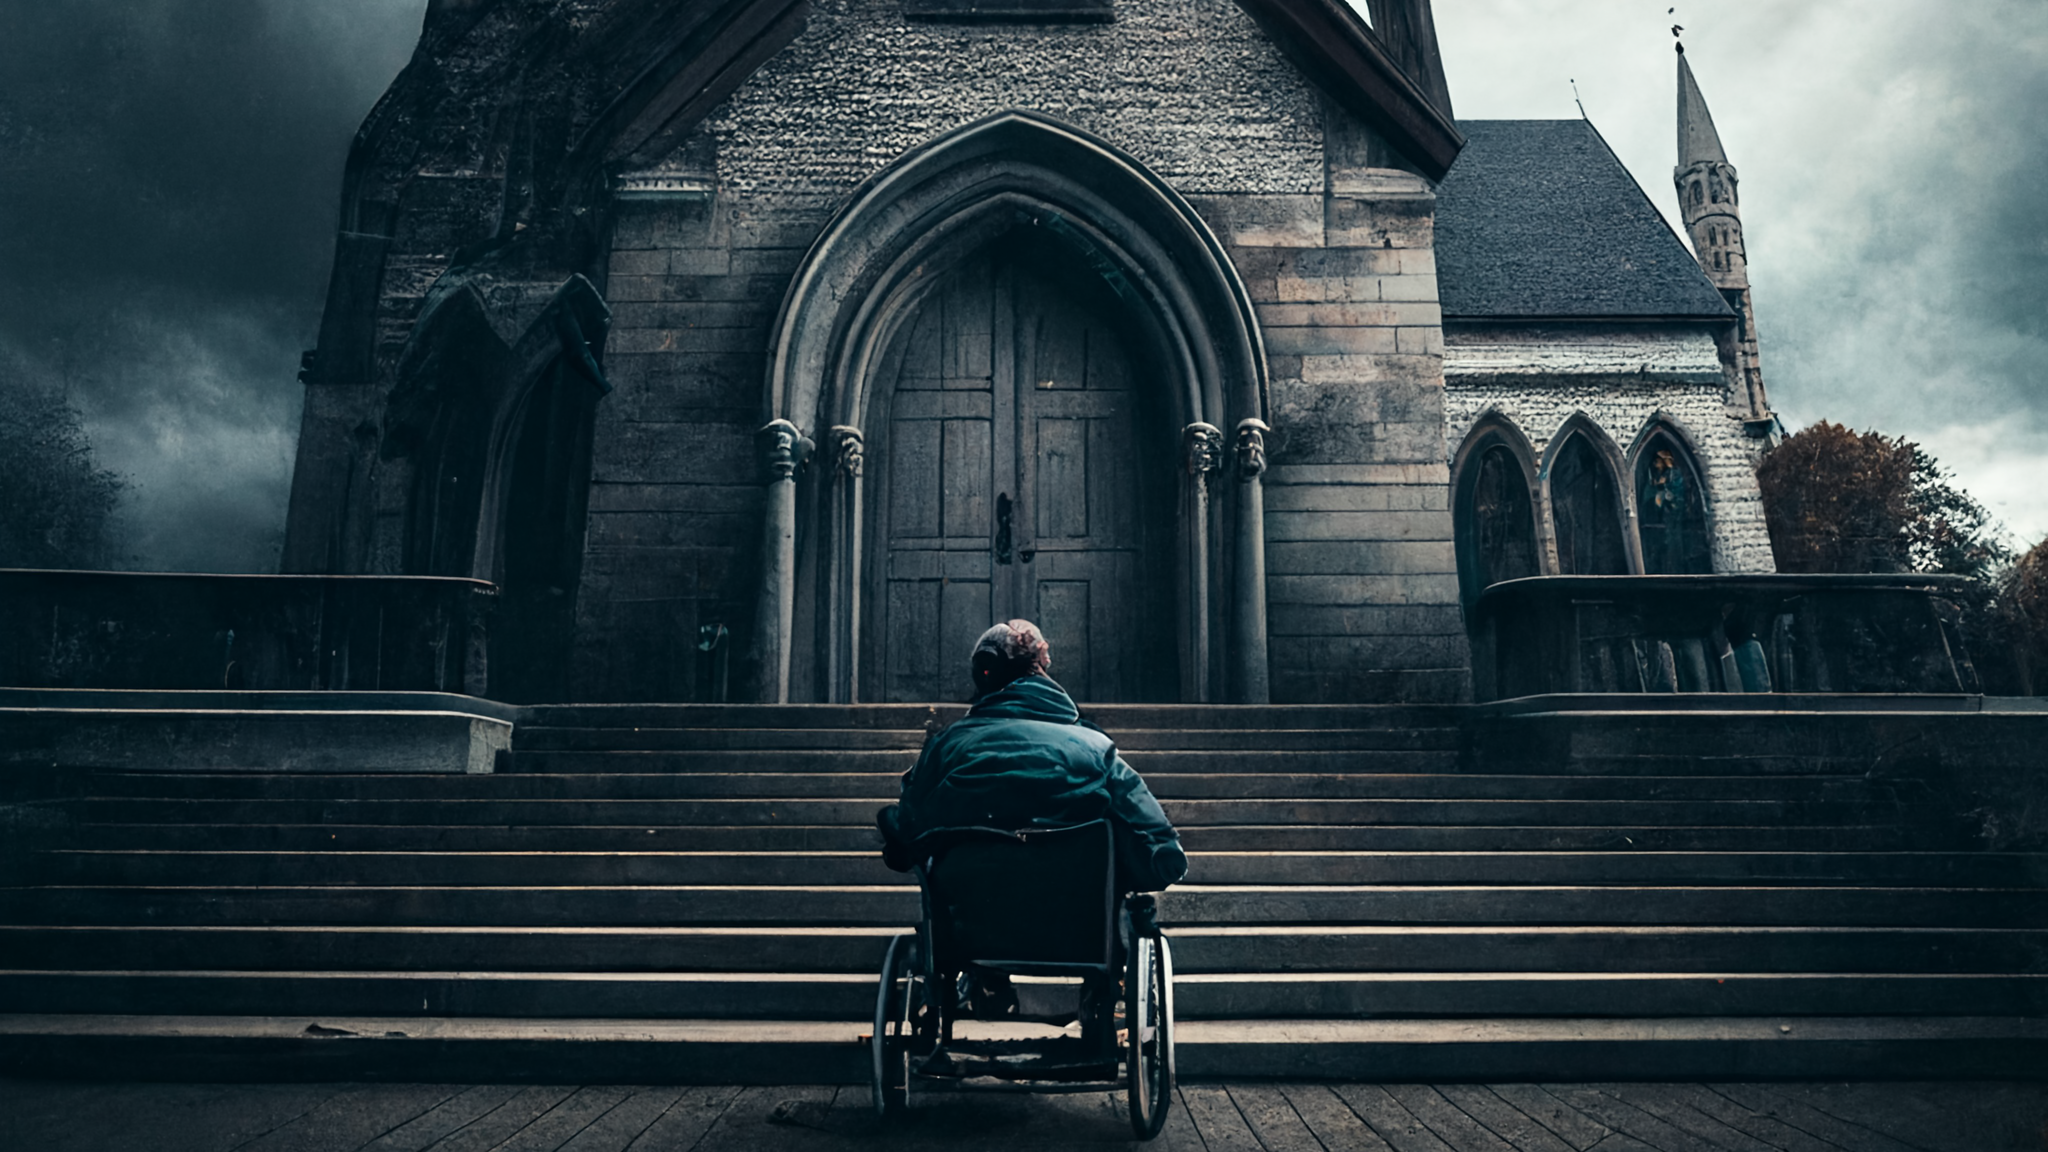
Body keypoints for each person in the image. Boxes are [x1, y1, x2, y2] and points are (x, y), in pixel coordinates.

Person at [877, 619, 1187, 894]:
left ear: (982, 677)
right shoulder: (1096, 748)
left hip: (973, 932)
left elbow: (905, 839)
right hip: (1078, 934)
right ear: (1043, 663)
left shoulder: (946, 747)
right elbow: (1165, 857)